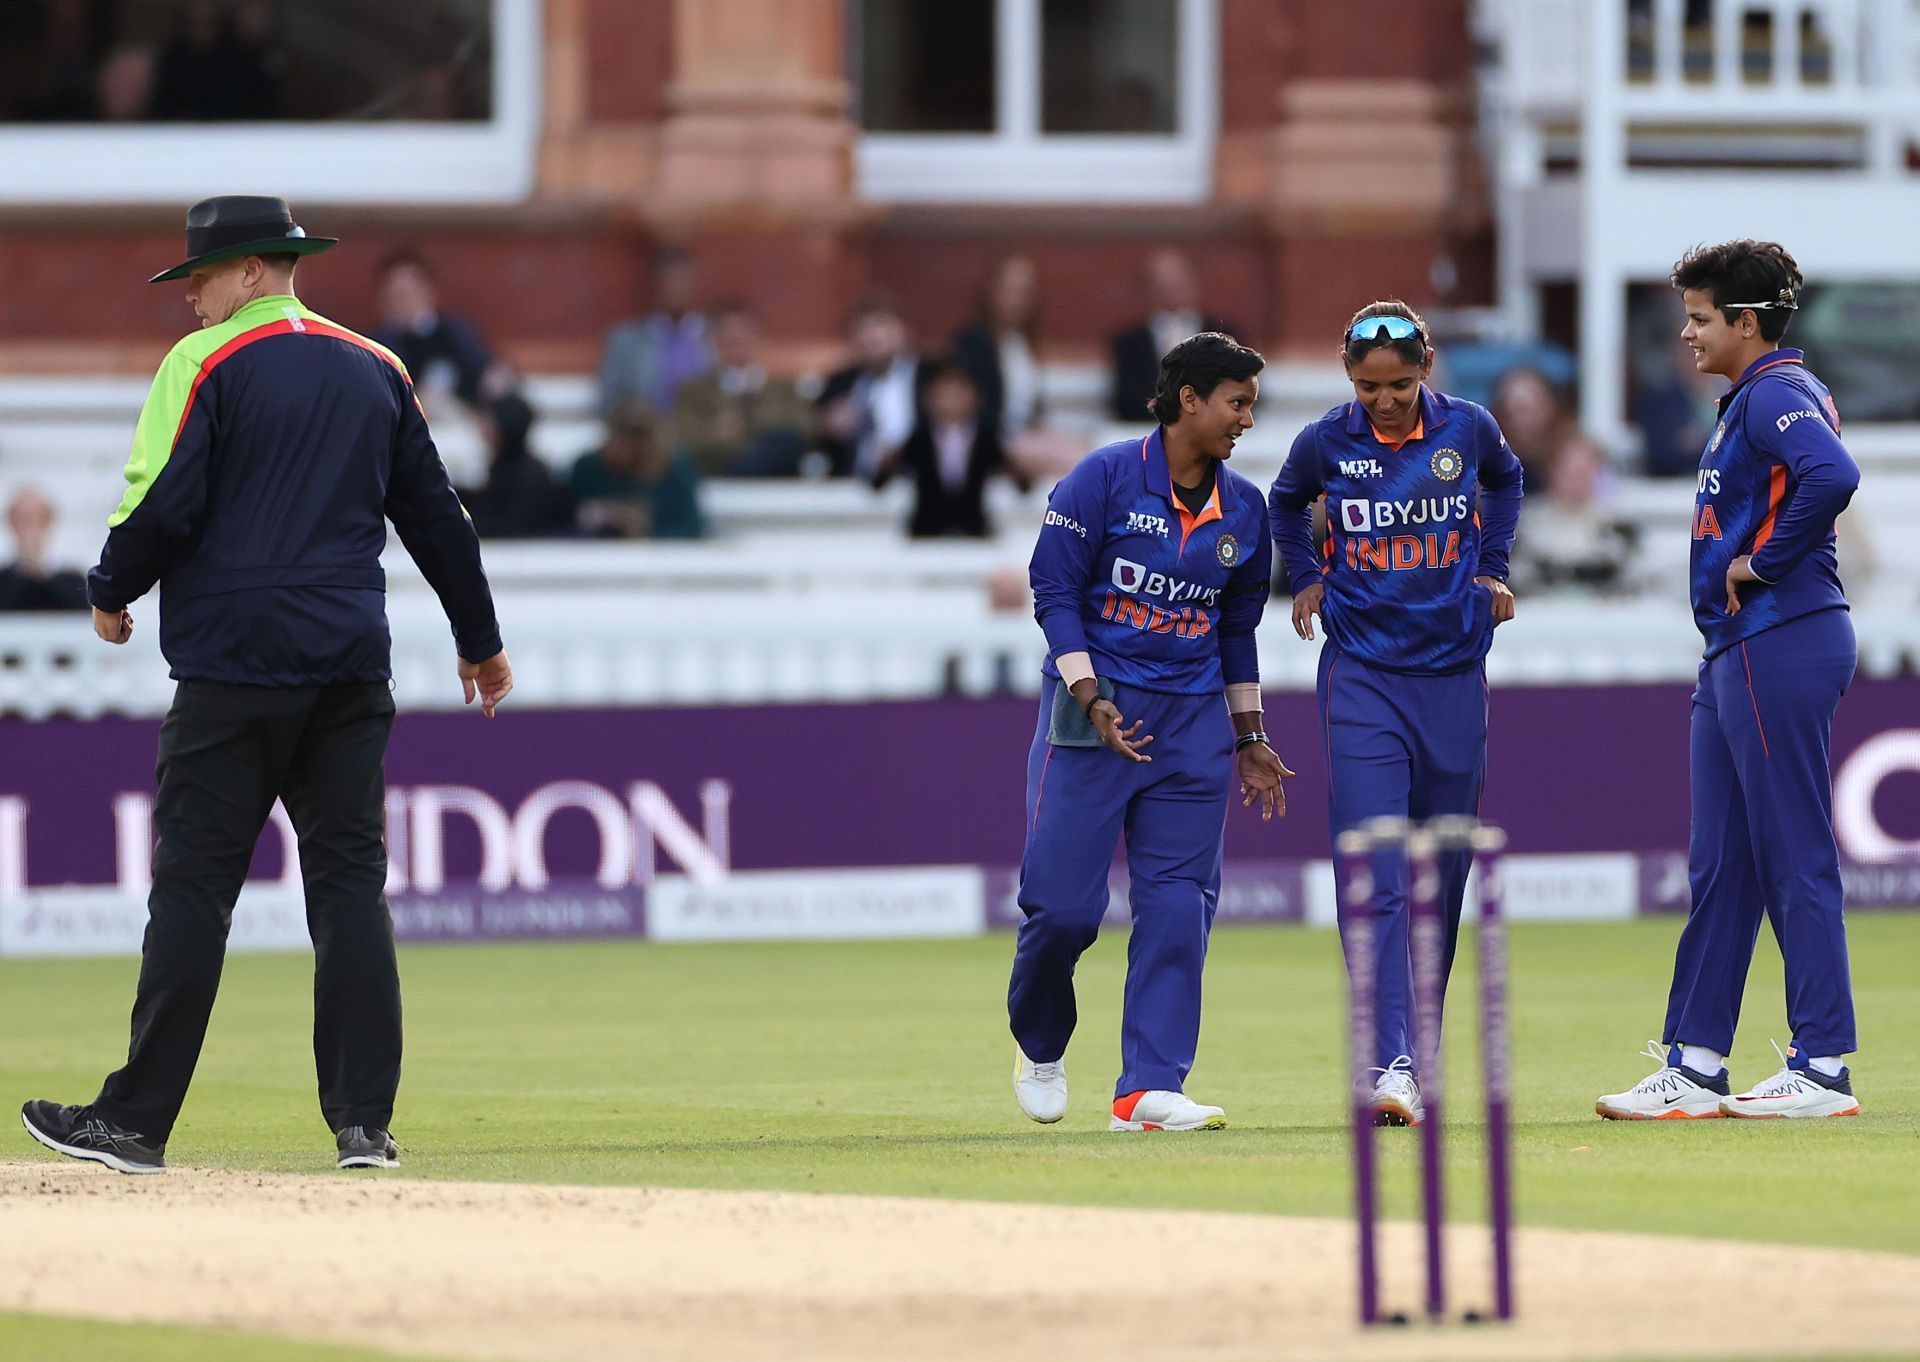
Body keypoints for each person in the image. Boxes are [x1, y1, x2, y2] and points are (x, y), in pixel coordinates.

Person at [19, 195, 512, 1176]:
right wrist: (480, 639)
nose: (191, 297)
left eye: (198, 278)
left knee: (196, 890)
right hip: (345, 664)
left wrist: (113, 589)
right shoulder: (381, 367)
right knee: (348, 888)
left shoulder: (200, 365)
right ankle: (363, 1127)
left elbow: (163, 500)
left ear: (250, 270)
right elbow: (437, 517)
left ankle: (136, 1122)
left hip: (233, 666)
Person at [1596, 239, 1863, 1121]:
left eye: (1702, 317)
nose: (1686, 333)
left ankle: (1822, 1064)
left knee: (1792, 850)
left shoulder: (1775, 395)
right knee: (1724, 864)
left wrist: (1764, 563)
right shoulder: (1756, 395)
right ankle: (1697, 1060)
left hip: (1777, 635)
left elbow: (1835, 475)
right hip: (1739, 647)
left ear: (1746, 323)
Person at [1009, 331, 1291, 1134]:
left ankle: (1147, 1089)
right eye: (1236, 402)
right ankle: (1040, 1042)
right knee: (1062, 911)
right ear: (1189, 400)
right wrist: (1089, 691)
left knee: (1178, 906)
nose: (1245, 419)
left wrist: (1249, 736)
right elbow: (1052, 588)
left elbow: (1237, 632)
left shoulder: (1246, 510)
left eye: (1251, 405)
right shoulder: (1101, 477)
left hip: (1193, 722)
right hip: (1093, 711)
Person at [1269, 301, 1523, 1126]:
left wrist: (1492, 568)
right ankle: (1389, 1061)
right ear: (1349, 374)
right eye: (1370, 386)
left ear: (1428, 368)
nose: (1386, 401)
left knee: (1444, 870)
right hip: (1363, 676)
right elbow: (1283, 503)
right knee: (1376, 867)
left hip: (1453, 671)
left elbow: (1510, 479)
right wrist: (1305, 574)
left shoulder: (1469, 430)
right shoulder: (1325, 442)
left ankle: (1419, 1046)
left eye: (1401, 385)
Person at [874, 359, 1032, 539]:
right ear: (929, 398)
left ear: (976, 397)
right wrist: (886, 462)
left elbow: (1022, 484)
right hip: (926, 535)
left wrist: (1020, 466)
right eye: (944, 392)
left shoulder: (986, 437)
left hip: (974, 533)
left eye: (959, 392)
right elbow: (880, 482)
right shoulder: (919, 438)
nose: (952, 400)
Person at [669, 299, 814, 478]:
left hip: (777, 486)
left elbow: (806, 428)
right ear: (713, 342)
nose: (736, 348)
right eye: (728, 341)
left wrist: (757, 417)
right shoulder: (693, 392)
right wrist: (713, 434)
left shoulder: (783, 388)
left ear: (756, 339)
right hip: (717, 481)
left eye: (741, 339)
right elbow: (679, 441)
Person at [1108, 249, 1237, 422]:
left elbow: (1244, 392)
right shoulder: (1130, 344)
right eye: (1162, 283)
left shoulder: (1225, 335)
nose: (1170, 289)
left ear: (1192, 281)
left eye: (1177, 281)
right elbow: (1126, 400)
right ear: (1148, 288)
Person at [373, 249, 503, 413]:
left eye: (409, 293)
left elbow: (485, 368)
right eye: (395, 296)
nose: (403, 303)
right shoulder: (377, 347)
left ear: (429, 292)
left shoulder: (455, 331)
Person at [598, 248, 712, 421]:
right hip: (648, 437)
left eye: (682, 280)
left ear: (694, 284)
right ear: (655, 286)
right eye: (669, 281)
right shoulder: (627, 340)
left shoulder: (714, 336)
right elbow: (609, 402)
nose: (676, 289)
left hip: (705, 439)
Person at [816, 294, 921, 479]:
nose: (873, 336)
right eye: (863, 328)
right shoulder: (839, 383)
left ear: (903, 331)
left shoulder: (926, 379)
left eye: (882, 325)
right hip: (853, 489)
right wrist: (828, 429)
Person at [569, 398, 705, 540]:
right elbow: (564, 519)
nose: (620, 447)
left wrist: (647, 535)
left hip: (662, 557)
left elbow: (690, 528)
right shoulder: (588, 469)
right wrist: (609, 513)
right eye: (618, 436)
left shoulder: (675, 470)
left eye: (634, 438)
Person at [462, 392, 574, 538]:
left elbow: (510, 528)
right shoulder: (503, 466)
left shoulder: (528, 475)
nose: (482, 426)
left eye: (489, 420)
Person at [0, 487, 90, 611]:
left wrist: (37, 567)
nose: (32, 528)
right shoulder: (4, 582)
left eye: (39, 519)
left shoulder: (73, 582)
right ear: (12, 524)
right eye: (24, 521)